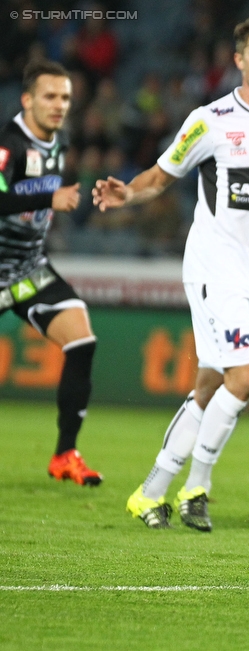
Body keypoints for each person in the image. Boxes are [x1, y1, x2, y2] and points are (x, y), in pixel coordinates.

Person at [92, 18, 249, 530]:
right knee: (247, 378)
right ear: (239, 61)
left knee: (210, 384)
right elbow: (162, 175)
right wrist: (128, 194)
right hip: (214, 265)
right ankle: (198, 488)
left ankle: (151, 492)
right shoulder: (210, 120)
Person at [0, 60, 101, 487]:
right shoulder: (9, 143)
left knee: (80, 341)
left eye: (65, 97)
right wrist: (47, 195)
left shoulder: (58, 142)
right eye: (50, 96)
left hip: (28, 268)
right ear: (27, 100)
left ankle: (65, 455)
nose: (59, 105)